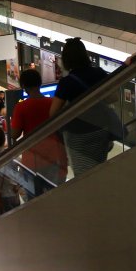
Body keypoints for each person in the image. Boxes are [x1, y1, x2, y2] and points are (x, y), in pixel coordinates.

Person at [48, 37, 112, 176]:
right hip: (100, 130)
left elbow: (53, 114)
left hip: (78, 135)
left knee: (83, 174)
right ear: (85, 55)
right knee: (99, 169)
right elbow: (113, 98)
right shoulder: (99, 73)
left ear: (66, 59)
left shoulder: (66, 82)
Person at [10, 68, 67, 192]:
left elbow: (14, 134)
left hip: (32, 159)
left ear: (23, 86)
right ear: (40, 83)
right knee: (53, 194)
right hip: (53, 155)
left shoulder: (21, 107)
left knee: (33, 196)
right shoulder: (52, 103)